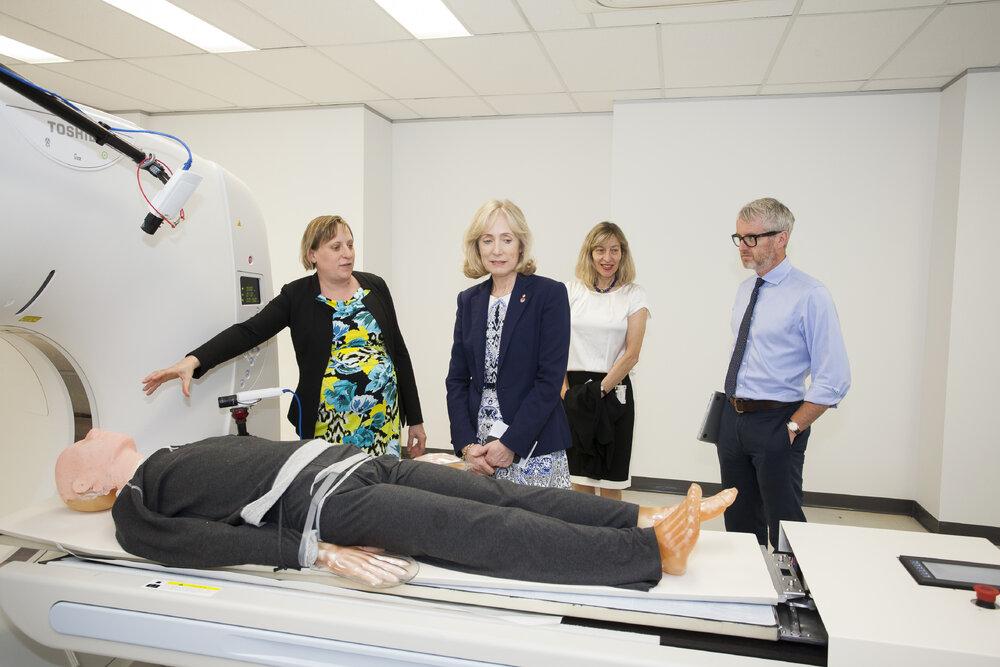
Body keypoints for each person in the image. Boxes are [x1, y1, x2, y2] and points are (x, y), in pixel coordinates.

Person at [55, 429, 738, 589]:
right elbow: (197, 545)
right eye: (86, 448)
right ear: (90, 489)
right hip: (333, 502)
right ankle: (650, 553)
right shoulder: (135, 505)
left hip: (357, 459)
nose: (99, 435)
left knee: (499, 492)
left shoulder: (167, 447)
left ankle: (637, 519)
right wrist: (309, 551)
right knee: (483, 530)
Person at [142, 215, 426, 459]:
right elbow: (249, 332)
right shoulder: (298, 295)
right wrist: (194, 360)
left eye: (350, 245)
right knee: (331, 497)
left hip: (382, 420)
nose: (348, 253)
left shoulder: (375, 286)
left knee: (380, 495)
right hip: (327, 424)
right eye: (336, 246)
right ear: (313, 254)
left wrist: (415, 419)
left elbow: (398, 352)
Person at [718, 198, 850, 548]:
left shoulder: (810, 295)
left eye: (752, 238)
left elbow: (834, 378)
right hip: (733, 420)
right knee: (739, 516)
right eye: (739, 238)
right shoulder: (746, 288)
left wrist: (793, 427)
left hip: (777, 422)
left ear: (781, 238)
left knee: (784, 521)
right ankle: (748, 588)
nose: (742, 247)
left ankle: (794, 594)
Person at [446, 200, 572, 487]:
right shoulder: (469, 300)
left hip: (534, 445)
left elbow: (549, 380)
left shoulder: (549, 295)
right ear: (476, 247)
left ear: (521, 245)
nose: (497, 250)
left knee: (543, 529)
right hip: (481, 453)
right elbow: (456, 380)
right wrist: (467, 446)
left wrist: (512, 443)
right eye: (487, 240)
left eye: (506, 239)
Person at [562, 222, 650, 501]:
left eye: (614, 250)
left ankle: (613, 542)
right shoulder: (571, 291)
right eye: (600, 250)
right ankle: (582, 542)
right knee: (580, 476)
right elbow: (556, 347)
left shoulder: (634, 295)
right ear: (589, 253)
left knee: (612, 480)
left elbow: (632, 354)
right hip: (574, 392)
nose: (607, 258)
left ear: (623, 254)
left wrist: (599, 391)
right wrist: (565, 394)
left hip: (613, 390)